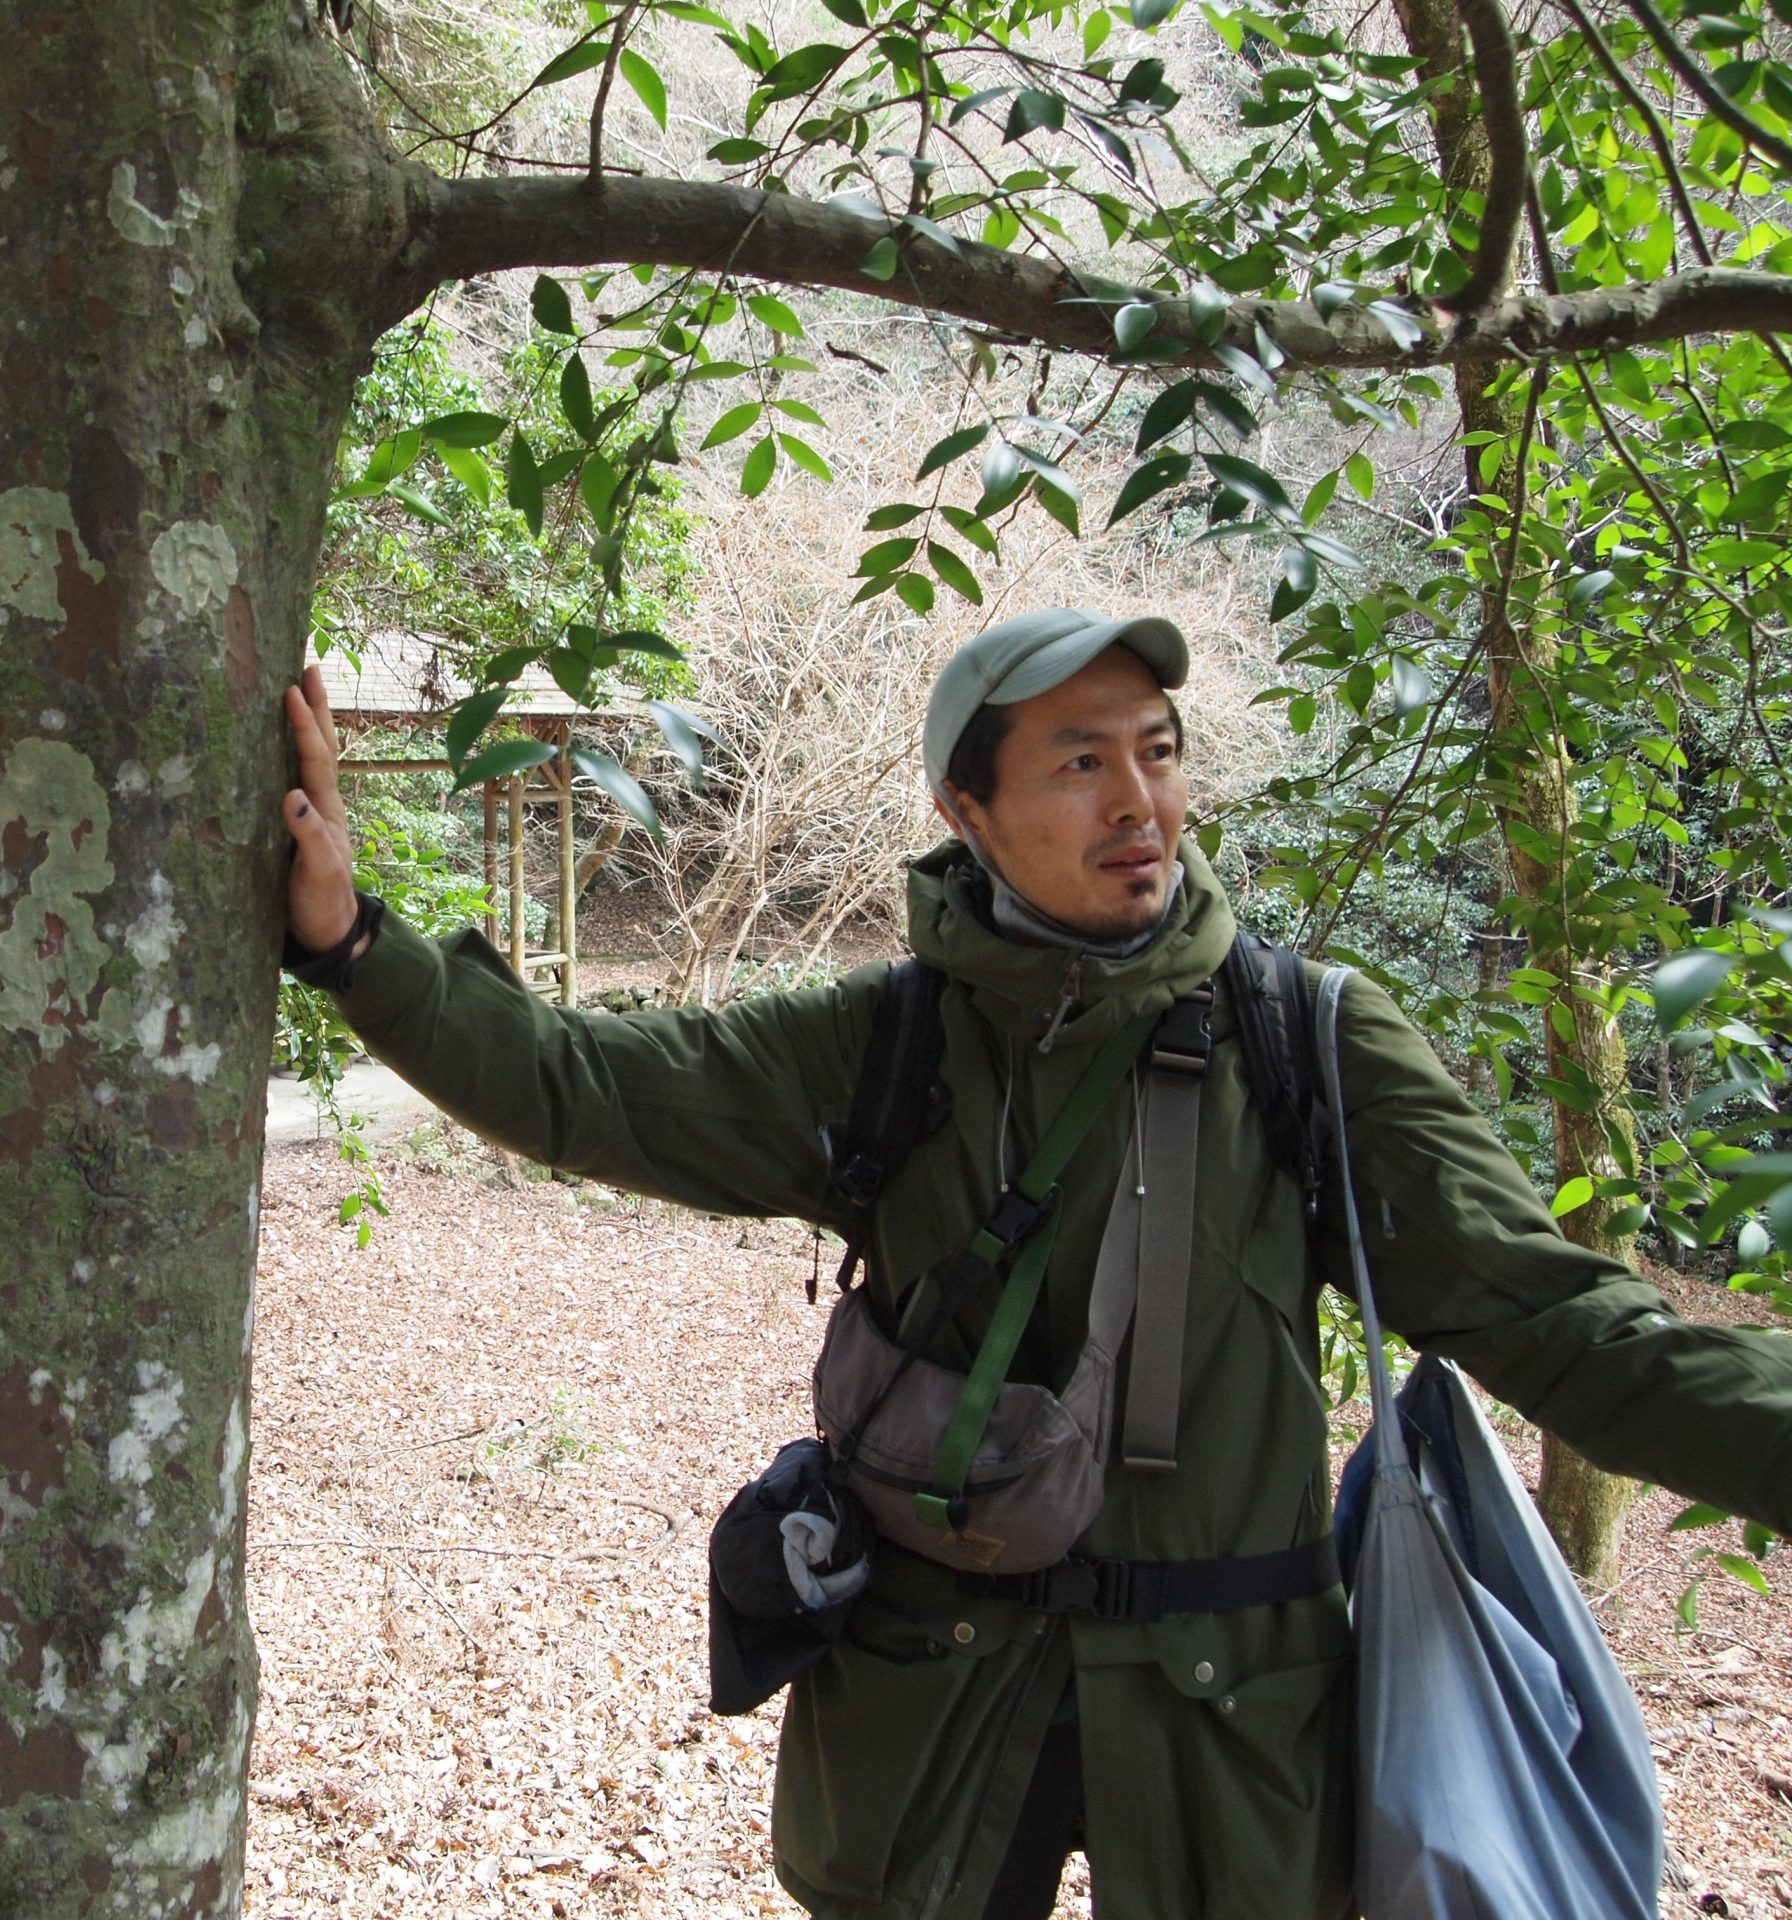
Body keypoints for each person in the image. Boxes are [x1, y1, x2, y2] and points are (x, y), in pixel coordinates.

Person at [276, 609, 1792, 1920]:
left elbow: (1565, 1324)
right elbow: (584, 1084)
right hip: (935, 1719)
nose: (1142, 799)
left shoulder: (1308, 1044)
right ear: (968, 806)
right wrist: (357, 947)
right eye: (1081, 760)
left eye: (1158, 748)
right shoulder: (889, 1042)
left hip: (1226, 1734)